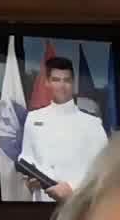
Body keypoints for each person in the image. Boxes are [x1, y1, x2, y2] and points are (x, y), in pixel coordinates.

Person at [18, 56, 108, 203]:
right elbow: (26, 157)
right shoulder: (33, 119)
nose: (62, 86)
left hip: (76, 205)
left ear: (73, 83)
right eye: (56, 80)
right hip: (41, 204)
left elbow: (104, 167)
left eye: (66, 80)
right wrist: (30, 180)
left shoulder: (92, 124)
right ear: (47, 82)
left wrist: (72, 188)